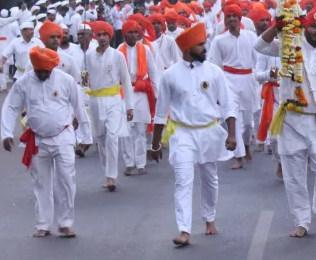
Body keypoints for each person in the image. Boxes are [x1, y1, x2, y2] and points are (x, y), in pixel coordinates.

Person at [255, 8, 316, 237]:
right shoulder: (288, 47)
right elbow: (259, 46)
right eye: (313, 26)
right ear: (304, 27)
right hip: (291, 121)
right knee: (294, 176)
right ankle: (302, 221)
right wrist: (278, 26)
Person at [148, 24, 238, 247]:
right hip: (183, 134)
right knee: (183, 181)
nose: (205, 48)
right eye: (201, 45)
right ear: (187, 48)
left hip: (209, 131)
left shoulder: (214, 72)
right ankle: (184, 229)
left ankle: (209, 218)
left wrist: (232, 134)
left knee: (210, 178)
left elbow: (228, 106)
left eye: (205, 44)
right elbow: (160, 113)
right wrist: (155, 144)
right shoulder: (170, 76)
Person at [1, 47, 87, 238]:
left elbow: (79, 108)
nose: (41, 74)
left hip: (63, 136)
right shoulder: (24, 83)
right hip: (38, 139)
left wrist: (85, 136)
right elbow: (10, 107)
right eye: (38, 71)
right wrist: (6, 133)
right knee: (41, 183)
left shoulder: (66, 81)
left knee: (66, 180)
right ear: (33, 67)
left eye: (45, 72)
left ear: (53, 68)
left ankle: (65, 223)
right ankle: (43, 224)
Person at [84, 21, 134, 191]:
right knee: (101, 138)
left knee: (112, 136)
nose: (103, 38)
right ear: (95, 37)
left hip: (113, 99)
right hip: (95, 101)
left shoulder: (117, 55)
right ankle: (107, 173)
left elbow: (126, 80)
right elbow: (84, 82)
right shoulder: (88, 56)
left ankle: (112, 176)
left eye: (105, 34)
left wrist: (129, 106)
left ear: (110, 36)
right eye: (99, 35)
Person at [206, 5, 255, 169]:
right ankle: (239, 156)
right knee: (234, 118)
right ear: (224, 20)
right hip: (229, 80)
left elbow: (259, 59)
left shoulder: (250, 37)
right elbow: (214, 65)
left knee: (248, 122)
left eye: (235, 16)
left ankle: (247, 146)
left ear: (240, 18)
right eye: (229, 16)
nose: (232, 19)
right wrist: (216, 88)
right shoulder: (219, 40)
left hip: (248, 79)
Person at [120, 19, 159, 176]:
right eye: (130, 32)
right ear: (124, 34)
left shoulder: (145, 49)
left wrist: (157, 94)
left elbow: (154, 72)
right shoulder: (118, 51)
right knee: (126, 131)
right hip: (124, 93)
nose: (134, 35)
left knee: (140, 129)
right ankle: (129, 163)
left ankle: (141, 163)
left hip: (141, 92)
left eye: (137, 32)